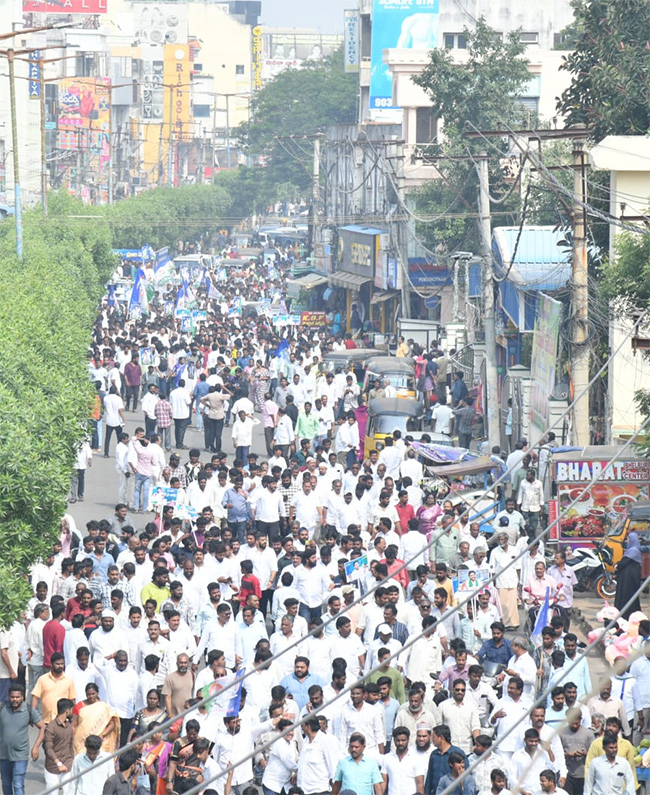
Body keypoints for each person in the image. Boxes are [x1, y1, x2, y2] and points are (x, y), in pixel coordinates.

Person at [0, 684, 44, 795]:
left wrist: (36, 747)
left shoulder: (29, 710)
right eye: (12, 697)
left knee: (18, 784)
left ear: (22, 697)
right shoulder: (2, 708)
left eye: (17, 697)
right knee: (6, 785)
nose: (15, 700)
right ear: (9, 697)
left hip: (20, 755)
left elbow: (43, 727)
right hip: (3, 755)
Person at [72, 682, 120, 755]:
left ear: (97, 693)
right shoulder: (79, 706)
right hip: (81, 742)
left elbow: (112, 724)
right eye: (88, 694)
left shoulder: (103, 707)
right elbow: (74, 725)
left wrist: (102, 735)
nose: (91, 696)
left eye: (93, 694)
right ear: (85, 694)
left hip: (98, 741)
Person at [614, 532, 642, 620]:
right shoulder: (632, 550)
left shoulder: (633, 550)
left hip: (629, 581)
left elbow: (624, 562)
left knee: (628, 598)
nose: (627, 541)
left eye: (628, 539)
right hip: (627, 580)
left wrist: (617, 566)